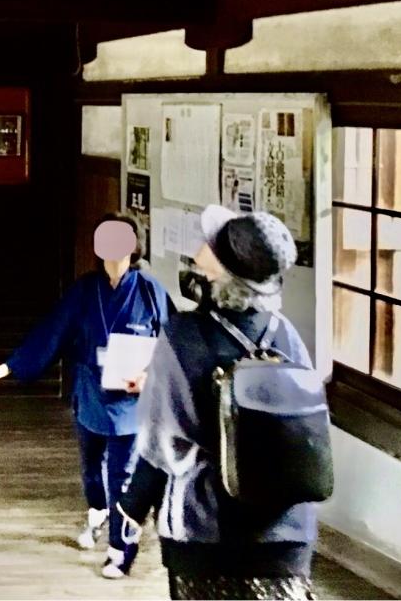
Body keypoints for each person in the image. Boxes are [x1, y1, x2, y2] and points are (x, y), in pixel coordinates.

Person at [122, 205, 319, 600]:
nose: (197, 251)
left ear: (221, 273)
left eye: (208, 246)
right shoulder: (287, 335)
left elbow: (161, 444)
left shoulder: (183, 336)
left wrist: (132, 506)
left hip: (204, 531)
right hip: (286, 531)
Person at [0, 213, 171, 578]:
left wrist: (151, 376)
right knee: (91, 469)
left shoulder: (150, 291)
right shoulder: (84, 290)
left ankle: (119, 549)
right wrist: (11, 366)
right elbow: (52, 331)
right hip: (91, 391)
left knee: (122, 476)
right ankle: (97, 511)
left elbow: (171, 345)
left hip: (131, 400)